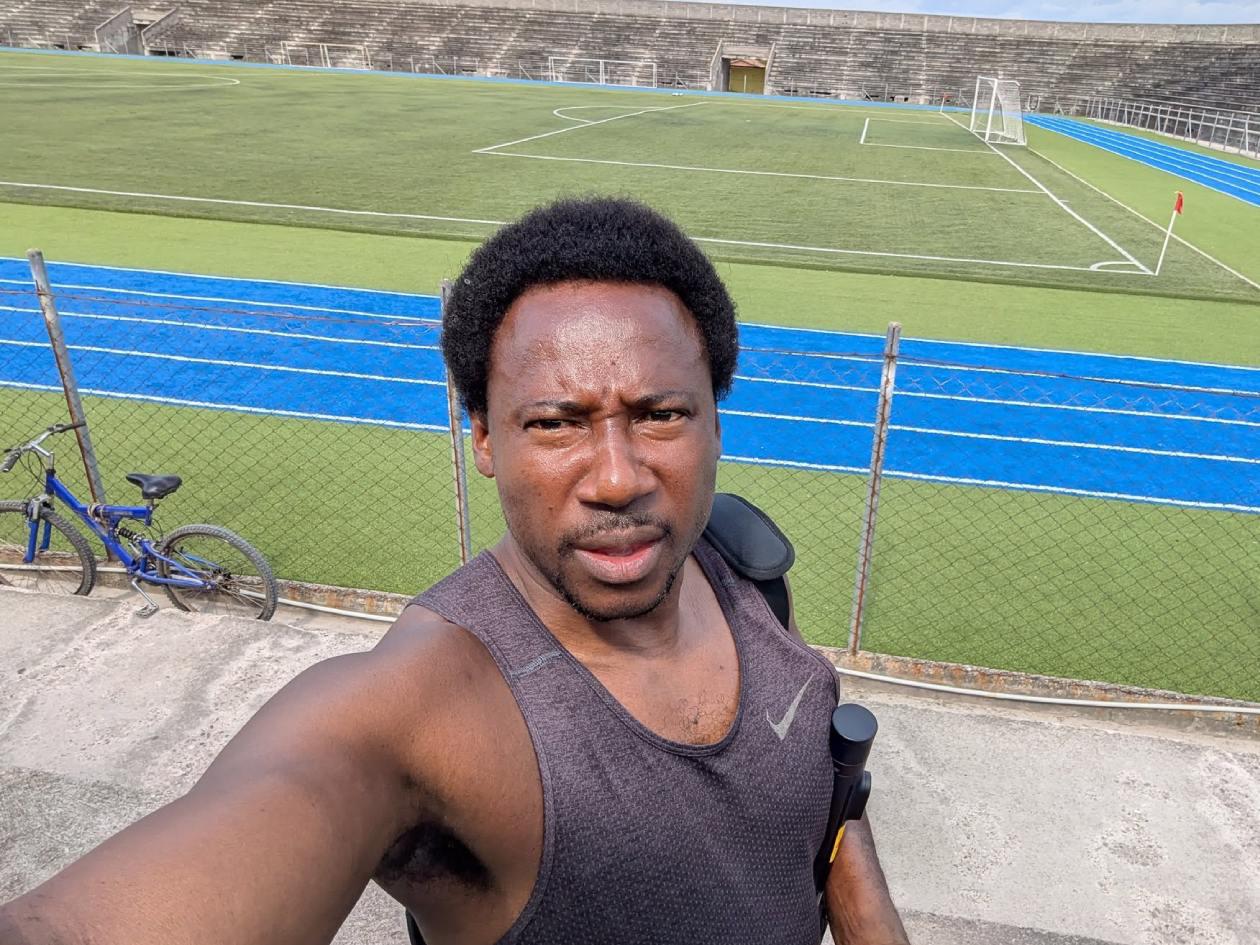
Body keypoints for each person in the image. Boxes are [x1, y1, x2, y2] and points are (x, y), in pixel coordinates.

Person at [0, 197, 909, 945]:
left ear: (716, 418)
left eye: (661, 414)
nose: (618, 477)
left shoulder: (745, 565)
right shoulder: (417, 710)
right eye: (554, 423)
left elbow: (823, 799)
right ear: (482, 437)